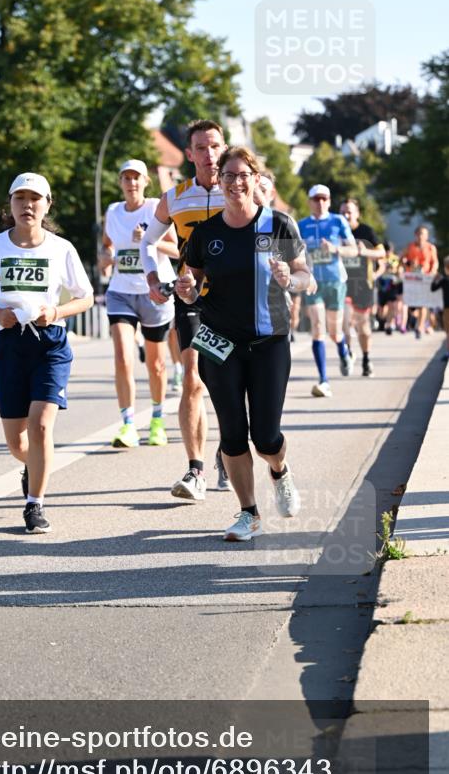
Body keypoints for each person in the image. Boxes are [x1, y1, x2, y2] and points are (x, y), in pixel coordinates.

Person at [177, 145, 312, 541]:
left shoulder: (279, 225)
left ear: (256, 179)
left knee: (266, 436)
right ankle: (248, 512)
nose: (236, 183)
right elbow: (193, 281)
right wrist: (187, 292)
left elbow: (308, 279)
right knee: (233, 432)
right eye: (228, 176)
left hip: (269, 341)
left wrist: (291, 279)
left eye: (243, 175)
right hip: (219, 342)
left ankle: (279, 470)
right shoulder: (207, 233)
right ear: (219, 182)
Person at [0, 172, 93, 534]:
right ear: (10, 205)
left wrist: (55, 312)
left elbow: (83, 297)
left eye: (35, 198)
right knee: (17, 441)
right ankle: (33, 465)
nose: (27, 205)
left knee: (40, 426)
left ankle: (34, 504)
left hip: (49, 342)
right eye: (20, 198)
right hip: (8, 344)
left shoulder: (61, 248)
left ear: (47, 204)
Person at [140, 119, 231, 499]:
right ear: (189, 154)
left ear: (223, 148)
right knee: (192, 376)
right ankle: (195, 470)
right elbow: (147, 242)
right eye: (201, 147)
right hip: (191, 298)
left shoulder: (241, 190)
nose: (209, 154)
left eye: (215, 145)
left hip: (234, 301)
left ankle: (230, 450)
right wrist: (152, 281)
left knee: (229, 383)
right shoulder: (175, 197)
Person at [100, 158, 178, 448]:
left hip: (154, 291)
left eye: (137, 178)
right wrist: (105, 258)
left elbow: (177, 249)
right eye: (126, 178)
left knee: (156, 364)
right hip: (120, 291)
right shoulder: (113, 212)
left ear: (146, 182)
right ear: (120, 182)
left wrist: (150, 240)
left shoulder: (155, 207)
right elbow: (107, 245)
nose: (131, 183)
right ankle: (128, 425)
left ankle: (157, 420)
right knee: (122, 356)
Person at [298, 185, 357, 397]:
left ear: (329, 201)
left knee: (334, 332)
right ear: (310, 201)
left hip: (335, 281)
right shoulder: (301, 225)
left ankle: (344, 352)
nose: (320, 202)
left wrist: (335, 249)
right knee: (317, 327)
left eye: (324, 199)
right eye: (316, 199)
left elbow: (354, 249)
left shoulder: (338, 221)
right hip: (313, 283)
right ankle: (324, 380)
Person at [339, 199, 386, 377]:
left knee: (362, 326)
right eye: (343, 211)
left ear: (357, 214)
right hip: (342, 283)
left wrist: (363, 252)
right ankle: (348, 351)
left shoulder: (366, 232)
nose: (346, 215)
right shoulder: (336, 230)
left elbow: (381, 253)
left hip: (362, 284)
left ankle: (366, 358)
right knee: (344, 321)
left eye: (350, 211)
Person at [402, 225, 439, 339]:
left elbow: (435, 262)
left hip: (425, 279)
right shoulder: (410, 247)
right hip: (413, 278)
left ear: (427, 236)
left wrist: (432, 272)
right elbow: (403, 260)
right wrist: (408, 264)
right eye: (419, 234)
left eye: (423, 234)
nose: (421, 236)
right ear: (415, 235)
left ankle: (420, 327)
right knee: (412, 306)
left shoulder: (431, 248)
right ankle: (416, 321)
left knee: (423, 304)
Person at [431, 256, 449, 361]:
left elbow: (433, 289)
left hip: (447, 309)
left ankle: (448, 352)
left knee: (448, 332)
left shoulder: (444, 280)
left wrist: (434, 279)